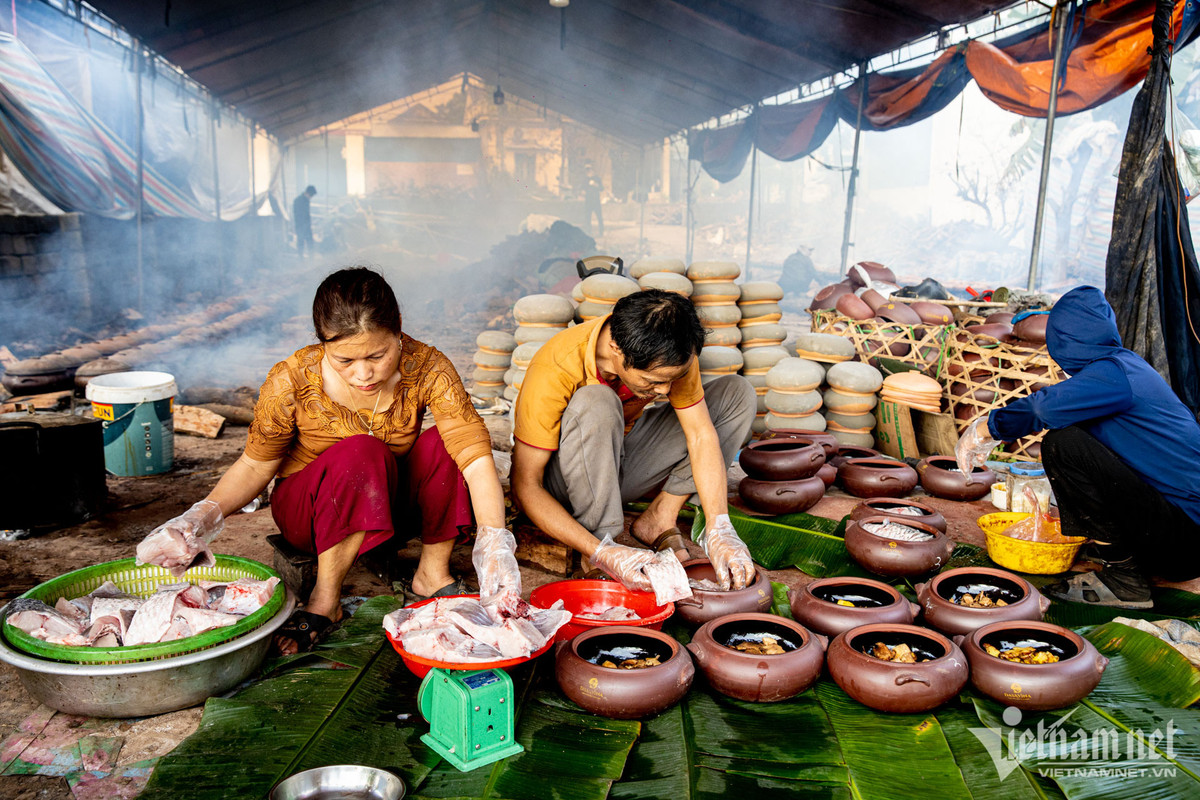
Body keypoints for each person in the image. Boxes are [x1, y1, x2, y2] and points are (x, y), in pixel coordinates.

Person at [138, 267, 519, 654]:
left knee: (446, 441)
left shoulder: (428, 367)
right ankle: (325, 600)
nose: (364, 373)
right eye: (345, 361)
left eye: (378, 354)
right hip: (310, 514)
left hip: (388, 507)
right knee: (362, 450)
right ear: (323, 343)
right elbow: (254, 465)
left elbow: (474, 458)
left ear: (398, 329)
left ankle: (431, 574)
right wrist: (199, 517)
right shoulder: (292, 378)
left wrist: (495, 546)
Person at [957, 286, 1200, 608]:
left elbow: (1039, 410)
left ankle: (1124, 581)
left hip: (1183, 542)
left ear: (1063, 340)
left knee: (1064, 443)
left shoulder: (1114, 375)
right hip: (1178, 531)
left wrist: (984, 429)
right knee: (1074, 436)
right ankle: (1120, 552)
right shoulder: (1122, 366)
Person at [511, 289, 759, 592]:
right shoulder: (556, 365)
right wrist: (601, 551)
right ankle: (604, 543)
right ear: (616, 350)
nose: (667, 391)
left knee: (737, 394)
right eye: (655, 382)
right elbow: (525, 486)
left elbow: (700, 435)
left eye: (671, 379)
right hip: (564, 482)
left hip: (617, 468)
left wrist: (719, 526)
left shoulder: (672, 349)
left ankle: (660, 516)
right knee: (596, 401)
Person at [293, 185, 317, 257]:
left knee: (309, 242)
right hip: (301, 225)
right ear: (308, 193)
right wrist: (304, 225)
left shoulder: (306, 200)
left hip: (306, 225)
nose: (311, 197)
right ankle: (301, 259)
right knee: (301, 243)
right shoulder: (298, 200)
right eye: (311, 195)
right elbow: (298, 214)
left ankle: (310, 258)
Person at [582, 165, 604, 237]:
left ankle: (601, 232)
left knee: (599, 217)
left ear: (593, 171)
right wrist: (583, 192)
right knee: (587, 218)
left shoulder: (597, 178)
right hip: (588, 201)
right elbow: (583, 188)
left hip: (596, 201)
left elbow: (602, 188)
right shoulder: (585, 179)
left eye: (590, 170)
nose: (588, 171)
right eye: (587, 170)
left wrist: (595, 184)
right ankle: (588, 232)